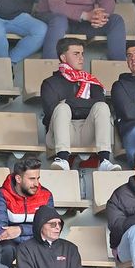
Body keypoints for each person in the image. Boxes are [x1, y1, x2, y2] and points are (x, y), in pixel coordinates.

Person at [43, 38, 120, 172]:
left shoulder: (91, 81)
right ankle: (62, 159)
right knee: (61, 109)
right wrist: (81, 106)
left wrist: (68, 102)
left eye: (82, 54)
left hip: (88, 132)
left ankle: (104, 161)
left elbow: (99, 103)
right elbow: (51, 112)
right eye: (76, 54)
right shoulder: (50, 83)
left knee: (102, 107)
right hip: (62, 134)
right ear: (63, 57)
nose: (81, 58)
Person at [0, 158, 55, 265]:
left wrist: (20, 230)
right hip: (8, 243)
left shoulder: (46, 195)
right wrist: (35, 231)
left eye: (38, 178)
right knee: (6, 248)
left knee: (50, 247)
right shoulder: (2, 194)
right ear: (18, 179)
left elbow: (49, 228)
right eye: (31, 179)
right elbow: (0, 231)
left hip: (34, 243)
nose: (36, 184)